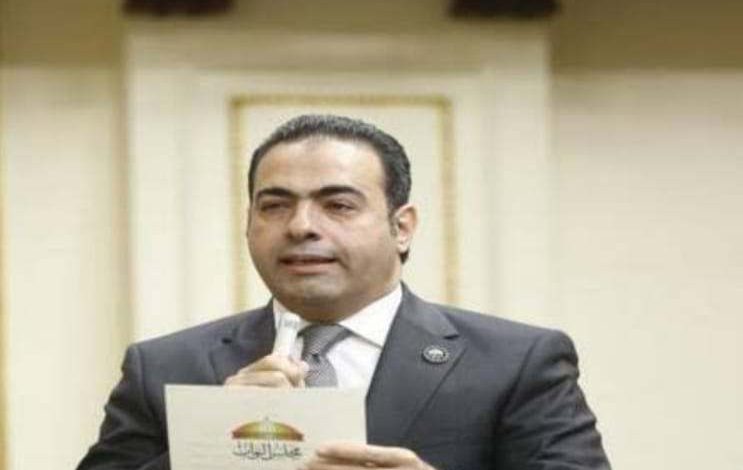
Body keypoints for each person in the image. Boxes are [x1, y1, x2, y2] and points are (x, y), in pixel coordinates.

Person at [78, 114, 610, 469]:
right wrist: (212, 445)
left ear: (402, 227)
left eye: (338, 205)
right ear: (248, 223)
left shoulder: (516, 363)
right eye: (275, 205)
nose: (300, 226)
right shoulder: (164, 368)